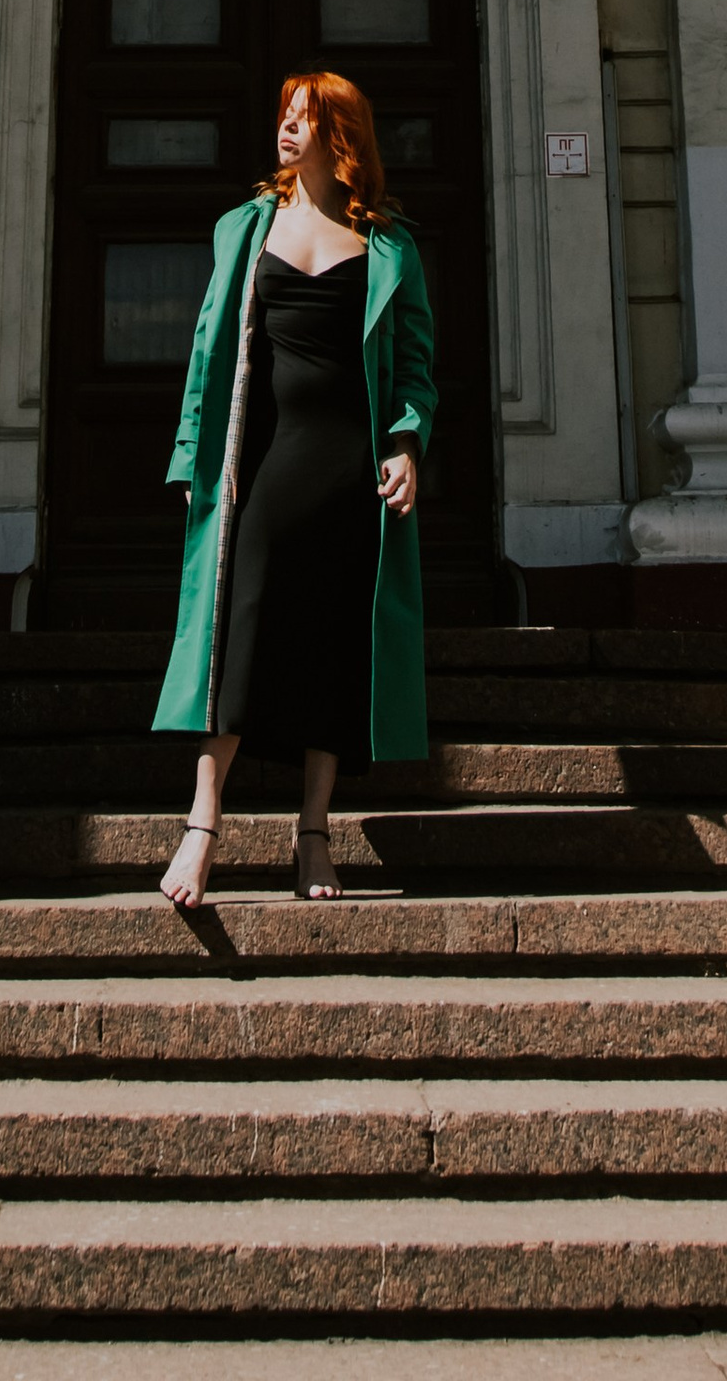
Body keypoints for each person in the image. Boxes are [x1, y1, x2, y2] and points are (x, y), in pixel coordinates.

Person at [151, 70, 438, 908]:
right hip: (263, 463)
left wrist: (408, 444)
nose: (284, 128)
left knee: (331, 645)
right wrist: (191, 462)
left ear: (340, 136)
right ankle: (201, 826)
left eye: (302, 118)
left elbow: (415, 365)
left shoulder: (389, 245)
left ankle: (312, 834)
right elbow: (209, 355)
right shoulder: (243, 230)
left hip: (349, 467)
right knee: (238, 634)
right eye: (283, 114)